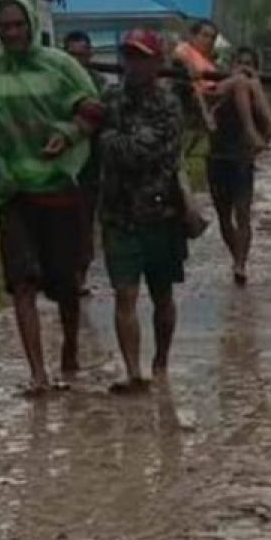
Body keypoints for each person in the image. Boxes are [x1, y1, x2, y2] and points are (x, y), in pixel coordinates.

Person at [0, 0, 104, 396]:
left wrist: (67, 135)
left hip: (60, 190)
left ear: (32, 25)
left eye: (18, 24)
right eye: (4, 26)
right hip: (13, 193)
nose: (12, 32)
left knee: (65, 283)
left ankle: (69, 348)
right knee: (22, 282)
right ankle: (37, 372)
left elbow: (93, 111)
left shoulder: (61, 66)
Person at [98, 29, 186, 393]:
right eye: (128, 57)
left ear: (157, 62)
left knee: (163, 294)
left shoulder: (168, 106)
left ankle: (161, 360)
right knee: (125, 294)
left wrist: (108, 140)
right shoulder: (110, 99)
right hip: (119, 215)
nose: (133, 65)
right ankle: (133, 371)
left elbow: (146, 153)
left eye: (141, 57)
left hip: (160, 215)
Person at [173, 20, 271, 152]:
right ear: (193, 36)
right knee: (239, 80)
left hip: (216, 92)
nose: (209, 40)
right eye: (205, 35)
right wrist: (189, 66)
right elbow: (179, 58)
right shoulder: (186, 49)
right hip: (201, 94)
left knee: (252, 80)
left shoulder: (208, 59)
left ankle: (268, 120)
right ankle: (250, 133)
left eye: (212, 37)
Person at [208, 46, 264, 286]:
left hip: (242, 159)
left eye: (249, 64)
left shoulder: (257, 97)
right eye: (240, 63)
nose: (244, 69)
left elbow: (267, 127)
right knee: (223, 217)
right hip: (217, 158)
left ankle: (240, 262)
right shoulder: (221, 90)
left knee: (243, 214)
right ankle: (237, 256)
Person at [64, 30, 107, 296]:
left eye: (83, 55)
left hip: (89, 165)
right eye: (73, 56)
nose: (78, 61)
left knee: (84, 222)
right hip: (57, 166)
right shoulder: (54, 84)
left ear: (90, 56)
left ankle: (79, 275)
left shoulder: (98, 84)